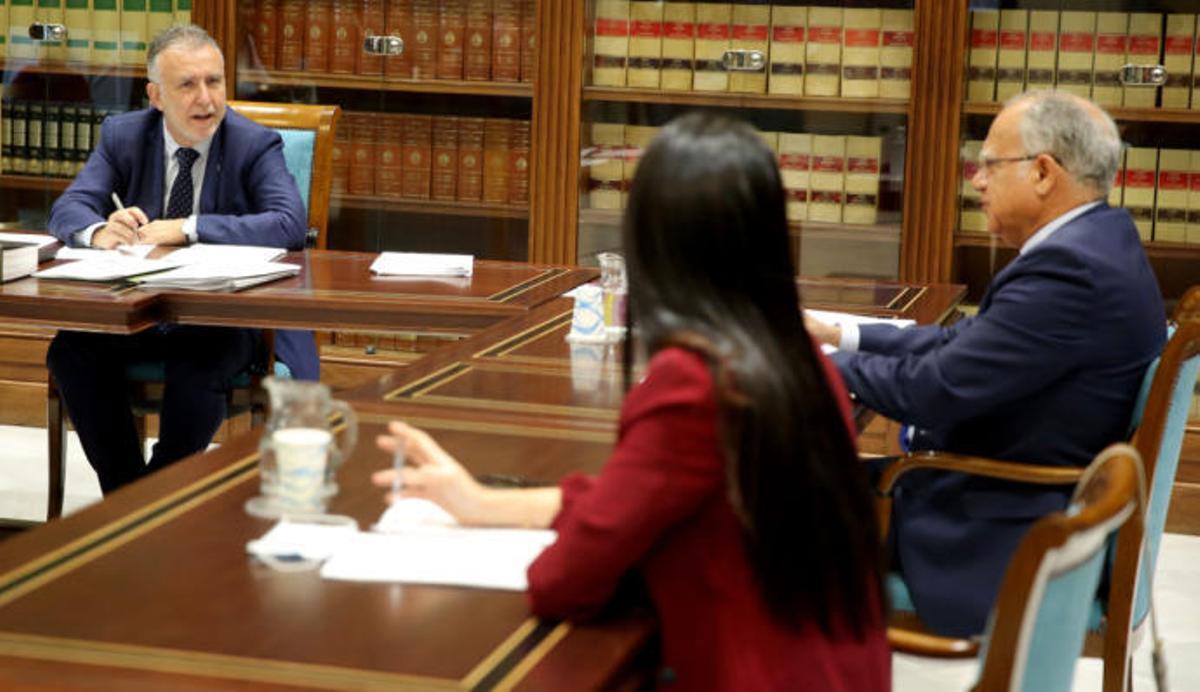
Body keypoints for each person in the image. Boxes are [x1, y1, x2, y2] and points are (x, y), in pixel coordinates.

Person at [372, 114, 889, 690]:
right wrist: (481, 502)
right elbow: (640, 502)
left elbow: (565, 581)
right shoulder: (799, 359)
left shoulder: (695, 382)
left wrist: (514, 520)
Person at [807, 90, 1166, 637]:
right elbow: (965, 343)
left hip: (997, 525)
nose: (975, 181)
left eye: (989, 165)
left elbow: (934, 387)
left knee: (763, 505)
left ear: (1043, 172)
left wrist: (807, 363)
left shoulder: (1068, 272)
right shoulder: (1099, 243)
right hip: (1018, 493)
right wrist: (840, 334)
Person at [46, 25, 319, 494]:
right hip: (142, 312)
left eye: (214, 81)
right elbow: (68, 209)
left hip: (222, 320)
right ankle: (128, 494)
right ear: (155, 95)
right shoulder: (124, 135)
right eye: (187, 85)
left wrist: (189, 227)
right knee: (71, 351)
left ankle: (150, 499)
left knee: (200, 360)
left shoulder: (253, 143)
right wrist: (98, 231)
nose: (206, 99)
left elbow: (288, 224)